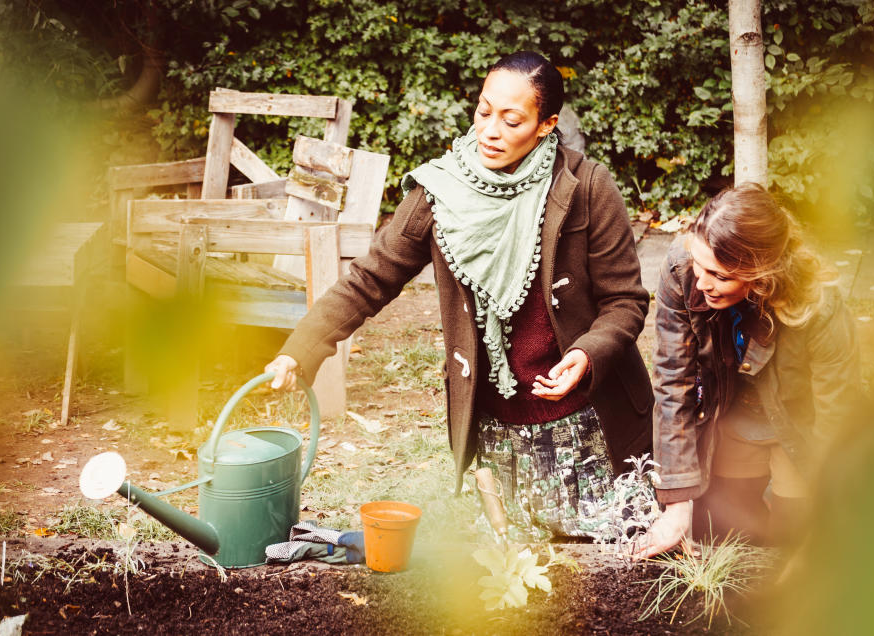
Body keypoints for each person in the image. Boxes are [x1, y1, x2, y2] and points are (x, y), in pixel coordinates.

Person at [266, 51, 653, 540]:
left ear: (545, 124)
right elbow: (370, 279)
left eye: (511, 120)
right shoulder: (440, 191)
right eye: (483, 111)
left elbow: (626, 301)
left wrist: (586, 352)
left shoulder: (589, 187)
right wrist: (299, 350)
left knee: (607, 572)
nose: (491, 130)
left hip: (585, 429)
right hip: (496, 430)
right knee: (510, 582)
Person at [633, 183, 860, 558]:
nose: (702, 284)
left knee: (797, 536)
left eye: (721, 276)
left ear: (764, 275)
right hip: (732, 417)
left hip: (799, 425)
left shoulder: (819, 305)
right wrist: (676, 504)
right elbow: (674, 383)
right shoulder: (682, 267)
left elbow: (838, 412)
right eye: (700, 267)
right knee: (724, 526)